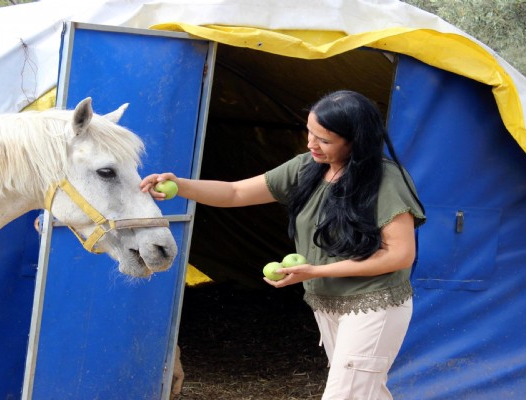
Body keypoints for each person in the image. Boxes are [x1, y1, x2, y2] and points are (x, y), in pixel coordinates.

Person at [140, 90, 426, 399]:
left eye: (324, 140)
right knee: (364, 392)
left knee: (346, 395)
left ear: (356, 140)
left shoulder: (386, 180)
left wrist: (316, 271)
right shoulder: (307, 168)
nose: (310, 144)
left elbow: (400, 254)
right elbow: (235, 192)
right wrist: (180, 185)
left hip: (375, 305)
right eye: (309, 132)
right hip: (328, 305)